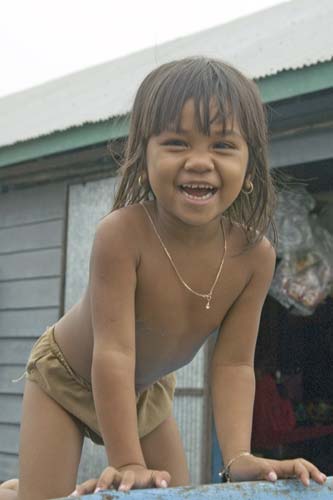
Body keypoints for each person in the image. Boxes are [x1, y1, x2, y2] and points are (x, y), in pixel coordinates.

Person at [0, 57, 326, 500]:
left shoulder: (255, 257)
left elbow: (233, 364)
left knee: (177, 495)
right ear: (143, 157)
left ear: (250, 165)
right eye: (176, 143)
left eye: (223, 146)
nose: (199, 162)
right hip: (67, 378)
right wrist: (127, 461)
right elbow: (113, 353)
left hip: (144, 392)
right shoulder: (122, 234)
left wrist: (238, 456)